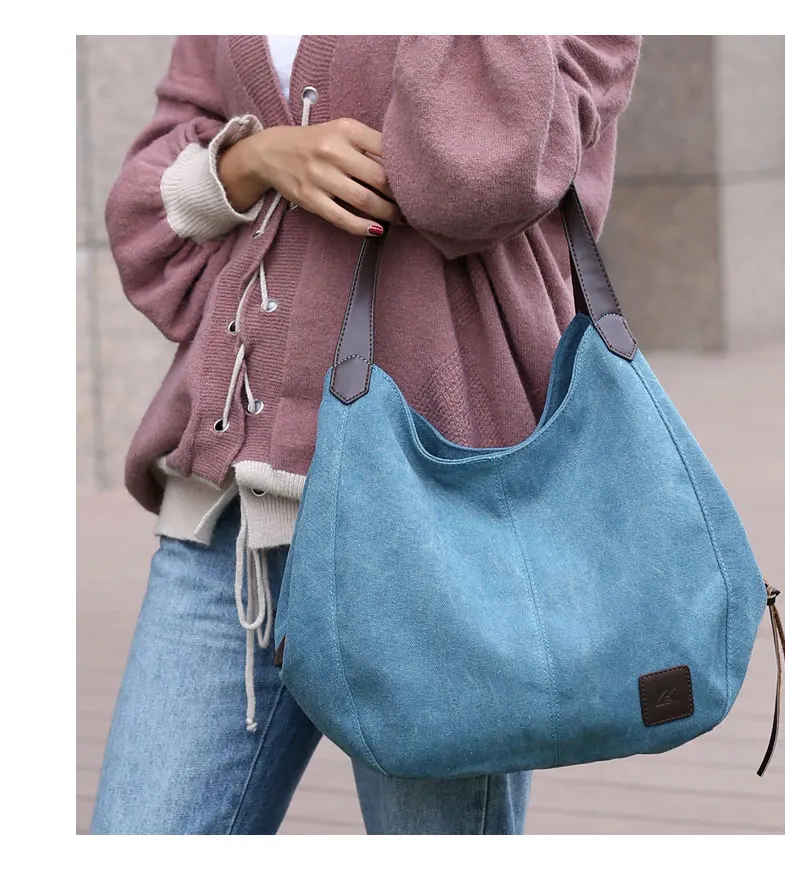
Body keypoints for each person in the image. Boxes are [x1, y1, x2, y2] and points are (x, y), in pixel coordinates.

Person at [89, 34, 642, 836]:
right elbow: (148, 199)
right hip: (233, 531)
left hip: (442, 537)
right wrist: (257, 159)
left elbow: (478, 178)